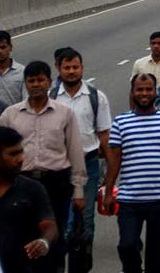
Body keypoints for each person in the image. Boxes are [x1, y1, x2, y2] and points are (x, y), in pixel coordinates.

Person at [0, 60, 87, 272]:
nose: (36, 85)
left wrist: (78, 191)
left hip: (56, 184)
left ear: (49, 82)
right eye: (31, 81)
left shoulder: (64, 113)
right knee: (20, 235)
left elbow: (74, 152)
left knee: (54, 237)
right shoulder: (11, 115)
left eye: (40, 80)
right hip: (20, 184)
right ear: (25, 83)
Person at [104, 73, 160, 273]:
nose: (144, 93)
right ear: (132, 93)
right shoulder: (121, 122)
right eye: (140, 89)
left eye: (149, 89)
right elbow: (114, 161)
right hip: (129, 200)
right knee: (127, 246)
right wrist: (108, 192)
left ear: (155, 92)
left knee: (157, 256)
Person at [49, 47, 113, 255]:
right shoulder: (51, 97)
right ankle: (62, 259)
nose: (71, 71)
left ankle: (83, 260)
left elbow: (104, 134)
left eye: (75, 67)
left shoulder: (95, 96)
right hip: (59, 165)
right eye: (67, 67)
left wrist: (111, 172)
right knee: (62, 215)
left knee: (85, 216)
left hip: (89, 164)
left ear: (82, 68)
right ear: (58, 68)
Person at [0, 126, 58, 273]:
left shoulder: (32, 189)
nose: (21, 159)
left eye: (21, 152)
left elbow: (49, 225)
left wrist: (43, 242)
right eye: (13, 154)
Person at [0, 30, 25, 105]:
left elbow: (27, 101)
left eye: (3, 47)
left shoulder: (22, 72)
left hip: (15, 116)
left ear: (10, 48)